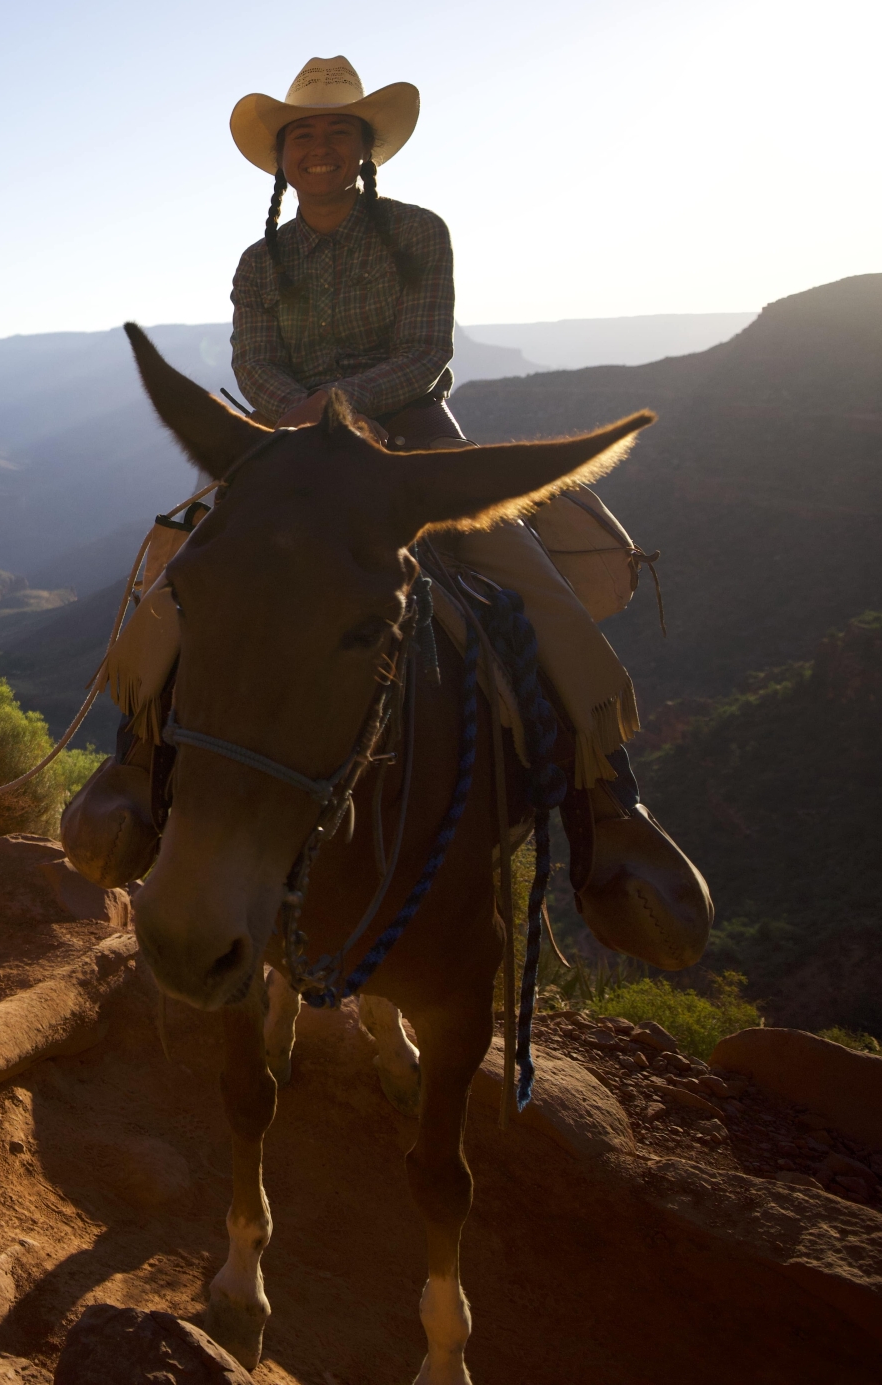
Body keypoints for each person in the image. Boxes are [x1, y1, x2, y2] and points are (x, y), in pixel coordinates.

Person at [225, 56, 710, 969]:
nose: (319, 147)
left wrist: (329, 407)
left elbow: (423, 351)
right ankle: (143, 766)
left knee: (525, 578)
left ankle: (608, 804)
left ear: (365, 146)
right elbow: (253, 364)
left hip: (413, 437)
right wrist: (295, 414)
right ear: (280, 155)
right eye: (302, 133)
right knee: (180, 567)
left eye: (337, 130)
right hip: (291, 447)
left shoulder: (417, 233)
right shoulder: (260, 261)